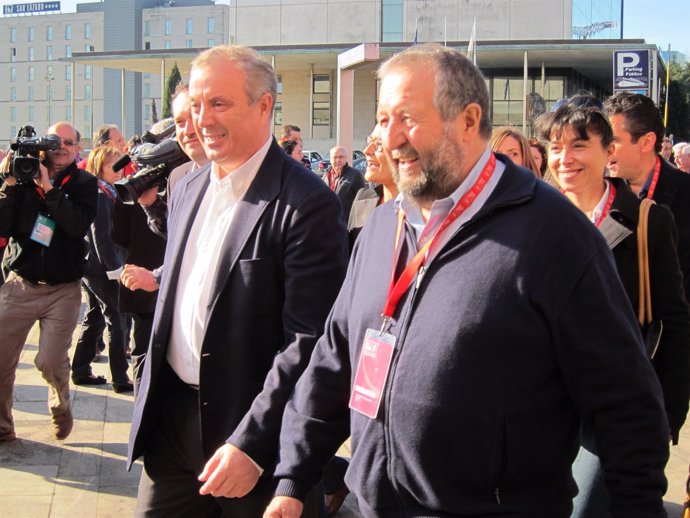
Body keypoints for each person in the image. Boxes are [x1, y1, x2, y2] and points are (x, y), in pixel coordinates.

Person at [263, 44, 669, 518]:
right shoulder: (380, 226)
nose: (388, 138)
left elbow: (627, 405)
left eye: (407, 118)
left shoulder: (555, 236)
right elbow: (335, 359)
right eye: (381, 119)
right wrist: (293, 478)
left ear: (469, 120)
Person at [127, 44, 348, 517]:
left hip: (251, 442)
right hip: (171, 430)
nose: (202, 119)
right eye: (198, 104)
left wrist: (252, 443)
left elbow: (307, 342)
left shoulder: (306, 204)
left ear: (264, 105)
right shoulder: (185, 183)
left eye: (219, 103)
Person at [538, 100, 690, 516]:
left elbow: (674, 321)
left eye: (579, 146)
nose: (564, 159)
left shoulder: (647, 221)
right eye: (555, 146)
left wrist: (668, 415)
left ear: (609, 152)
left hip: (616, 408)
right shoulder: (536, 219)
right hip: (544, 408)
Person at [0, 121, 97, 442]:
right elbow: (4, 225)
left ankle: (61, 404)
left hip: (63, 288)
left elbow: (76, 224)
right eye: (56, 141)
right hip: (20, 284)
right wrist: (9, 185)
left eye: (69, 142)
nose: (62, 147)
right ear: (45, 145)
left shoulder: (84, 183)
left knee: (50, 360)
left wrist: (50, 190)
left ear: (78, 148)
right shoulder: (22, 177)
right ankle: (2, 428)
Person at [605, 91, 690, 303]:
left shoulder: (684, 193)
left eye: (613, 141)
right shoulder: (597, 191)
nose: (606, 150)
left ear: (646, 142)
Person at [71, 146, 133, 393]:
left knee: (96, 317)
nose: (119, 171)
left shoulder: (105, 191)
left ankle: (80, 369)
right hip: (100, 269)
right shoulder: (99, 194)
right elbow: (102, 239)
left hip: (95, 267)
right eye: (113, 166)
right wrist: (116, 271)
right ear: (99, 166)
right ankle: (120, 378)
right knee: (116, 318)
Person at [347, 126, 399, 248]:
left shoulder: (427, 212)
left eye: (379, 144)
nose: (366, 150)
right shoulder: (362, 201)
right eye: (369, 141)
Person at [324, 145, 365, 223]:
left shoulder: (355, 175)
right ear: (330, 159)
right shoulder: (326, 175)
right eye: (335, 157)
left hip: (346, 225)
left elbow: (361, 203)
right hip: (328, 224)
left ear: (346, 158)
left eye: (341, 157)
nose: (338, 160)